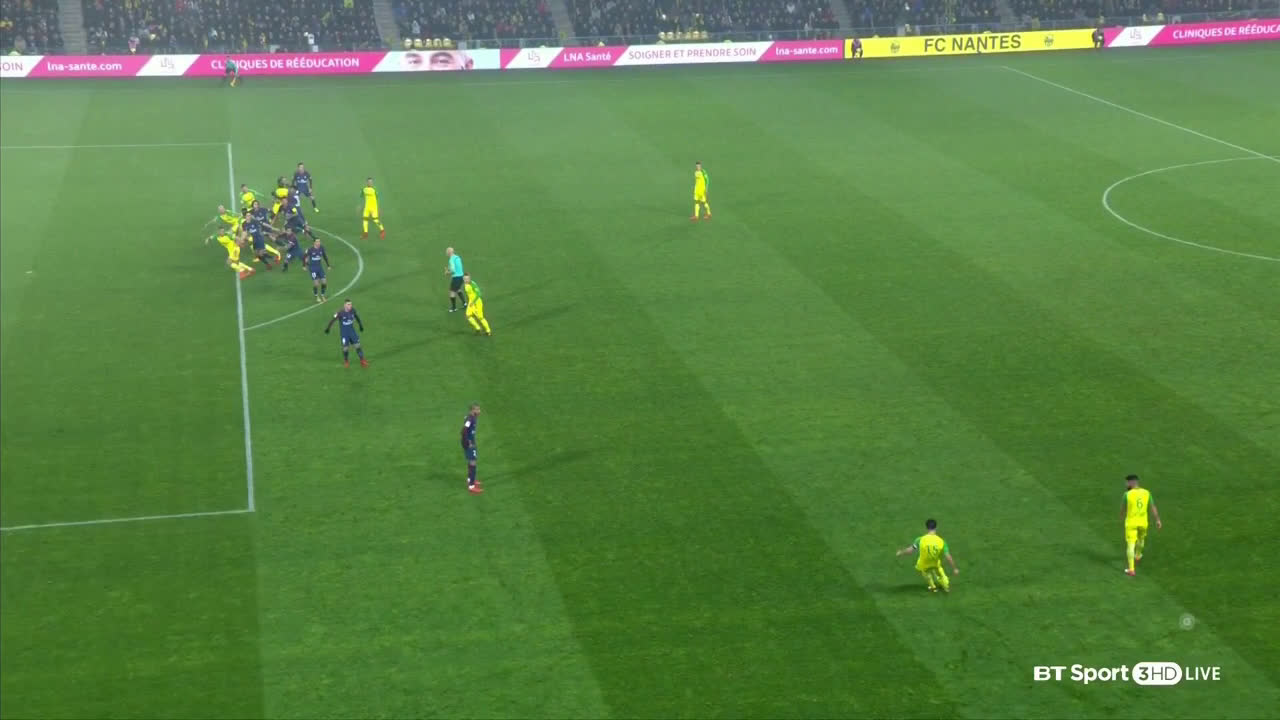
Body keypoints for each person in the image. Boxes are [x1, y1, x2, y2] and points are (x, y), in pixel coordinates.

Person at [896, 519, 959, 593]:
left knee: (926, 573)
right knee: (940, 572)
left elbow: (910, 551)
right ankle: (946, 587)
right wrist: (954, 568)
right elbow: (948, 557)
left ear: (926, 528)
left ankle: (933, 588)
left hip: (924, 564)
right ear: (936, 527)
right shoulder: (941, 541)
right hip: (935, 563)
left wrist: (901, 552)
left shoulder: (920, 539)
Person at [1122, 474, 1162, 576]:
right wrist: (1157, 520)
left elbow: (1123, 509)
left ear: (1131, 482)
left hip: (1131, 523)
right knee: (1141, 539)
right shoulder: (1147, 493)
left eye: (1127, 482)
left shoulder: (1127, 494)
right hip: (1143, 522)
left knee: (1131, 544)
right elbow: (1153, 507)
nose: (1126, 484)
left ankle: (1131, 569)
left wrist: (1121, 516)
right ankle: (1138, 555)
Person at [324, 299, 368, 368]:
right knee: (345, 348)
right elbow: (333, 320)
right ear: (345, 305)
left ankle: (362, 360)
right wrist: (328, 328)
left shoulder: (353, 310)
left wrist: (360, 325)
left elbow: (357, 317)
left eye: (351, 304)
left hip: (352, 332)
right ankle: (346, 361)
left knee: (357, 346)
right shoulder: (340, 313)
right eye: (348, 304)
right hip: (344, 334)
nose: (350, 306)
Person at [461, 403, 483, 493]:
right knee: (473, 461)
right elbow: (463, 431)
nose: (479, 411)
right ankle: (471, 486)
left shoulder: (472, 417)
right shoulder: (470, 419)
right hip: (469, 443)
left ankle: (470, 479)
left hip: (470, 441)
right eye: (477, 409)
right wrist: (468, 442)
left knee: (471, 460)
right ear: (472, 410)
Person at [304, 238, 331, 303]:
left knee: (324, 282)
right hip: (313, 268)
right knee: (316, 284)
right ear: (314, 243)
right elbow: (305, 257)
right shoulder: (310, 249)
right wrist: (304, 265)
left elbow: (325, 256)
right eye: (317, 241)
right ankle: (316, 296)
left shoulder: (321, 248)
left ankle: (322, 295)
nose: (318, 243)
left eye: (319, 241)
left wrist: (328, 265)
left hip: (320, 268)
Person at [445, 247, 466, 312]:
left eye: (446, 252)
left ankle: (454, 308)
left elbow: (453, 270)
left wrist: (447, 273)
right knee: (458, 289)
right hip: (461, 277)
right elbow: (457, 266)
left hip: (456, 278)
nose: (446, 253)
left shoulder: (451, 259)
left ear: (449, 252)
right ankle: (465, 303)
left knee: (452, 292)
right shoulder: (457, 257)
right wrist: (449, 269)